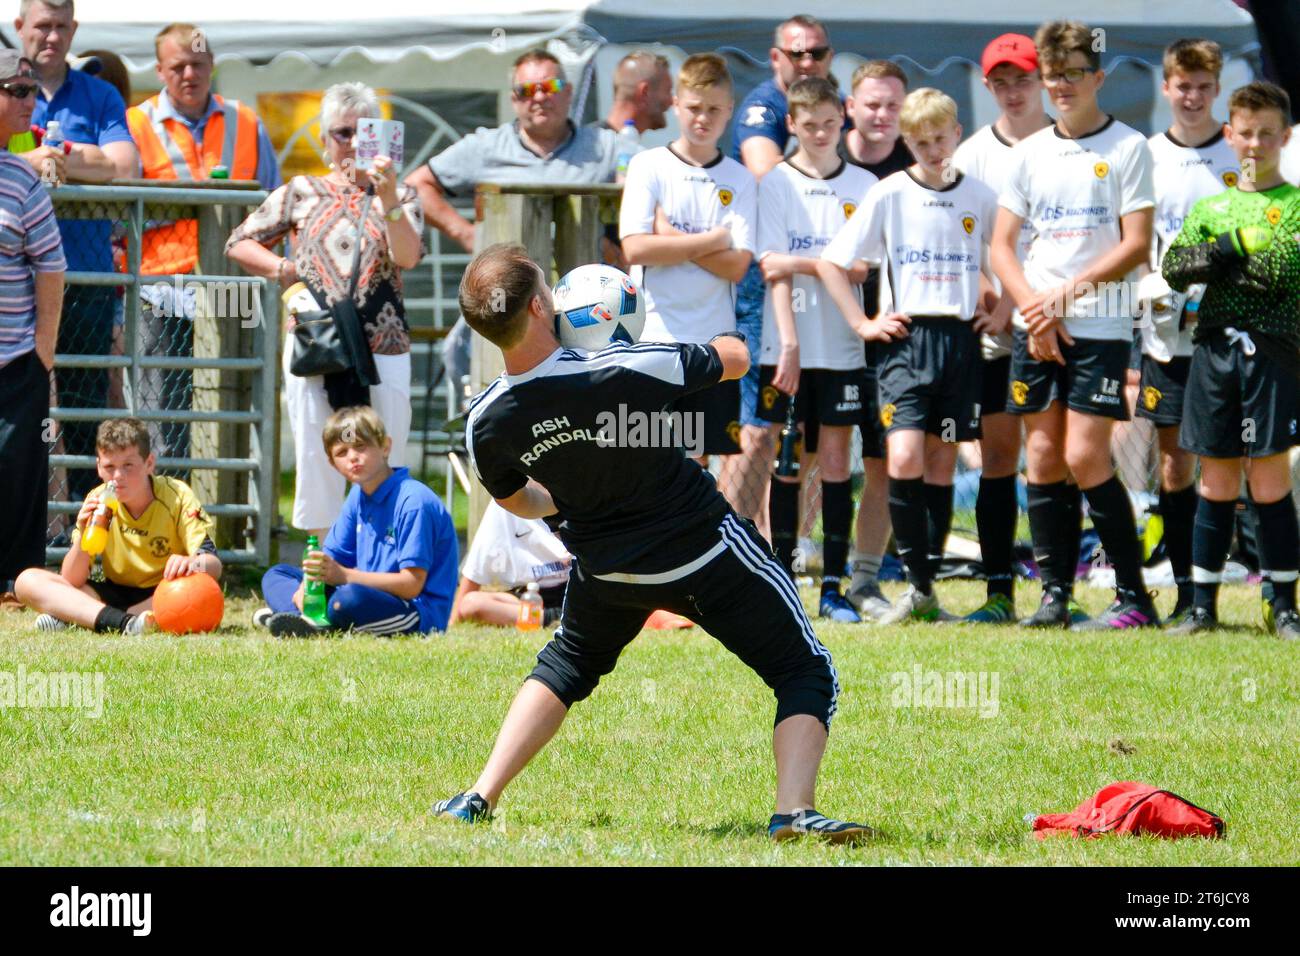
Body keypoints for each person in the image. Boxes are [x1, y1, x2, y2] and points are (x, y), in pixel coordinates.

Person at [432, 242, 872, 844]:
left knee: (565, 666)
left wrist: (572, 488)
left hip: (607, 572)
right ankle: (793, 812)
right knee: (805, 668)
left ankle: (477, 797)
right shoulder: (625, 366)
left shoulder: (485, 420)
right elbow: (735, 359)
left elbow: (517, 500)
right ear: (539, 307)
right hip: (704, 555)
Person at [991, 20, 1158, 629]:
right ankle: (1055, 595)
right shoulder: (1029, 151)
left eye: (1074, 75)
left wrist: (1062, 298)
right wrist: (1036, 310)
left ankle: (1134, 597)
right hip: (1039, 324)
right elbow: (1002, 248)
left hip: (1101, 326)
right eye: (1053, 75)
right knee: (1041, 457)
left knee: (1086, 457)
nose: (1062, 86)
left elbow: (1136, 245)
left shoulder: (1129, 147)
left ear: (1099, 77)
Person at [819, 88, 998, 624]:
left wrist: (1004, 308)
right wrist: (862, 323)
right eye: (920, 142)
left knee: (942, 462)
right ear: (906, 142)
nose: (932, 150)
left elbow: (1013, 255)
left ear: (957, 135)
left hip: (960, 343)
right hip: (904, 344)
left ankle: (924, 590)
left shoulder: (982, 197)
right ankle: (905, 583)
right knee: (901, 459)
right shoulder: (891, 192)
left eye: (940, 139)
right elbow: (834, 262)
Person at [226, 81, 423, 540]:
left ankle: (385, 560)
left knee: (384, 451)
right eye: (342, 133)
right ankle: (321, 566)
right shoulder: (301, 191)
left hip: (382, 343)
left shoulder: (401, 194)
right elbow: (239, 241)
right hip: (317, 342)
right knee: (320, 453)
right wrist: (286, 270)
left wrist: (389, 196)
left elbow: (408, 257)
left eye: (364, 133)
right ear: (323, 140)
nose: (353, 143)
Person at [1162, 81, 1300, 640]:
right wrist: (1235, 243)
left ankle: (1283, 606)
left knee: (1267, 479)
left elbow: (1280, 276)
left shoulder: (1294, 205)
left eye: (1268, 133)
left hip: (1273, 354)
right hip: (1215, 352)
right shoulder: (1211, 207)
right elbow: (1175, 267)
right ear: (1229, 134)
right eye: (1246, 132)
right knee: (1215, 480)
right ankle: (1202, 607)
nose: (1256, 143)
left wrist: (1214, 262)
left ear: (1285, 137)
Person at [127, 22, 282, 462]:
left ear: (212, 65)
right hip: (161, 289)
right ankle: (168, 510)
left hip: (235, 286)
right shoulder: (134, 124)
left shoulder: (246, 122)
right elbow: (117, 219)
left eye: (197, 64)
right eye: (177, 66)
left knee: (236, 402)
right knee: (161, 412)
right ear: (159, 71)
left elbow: (275, 205)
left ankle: (235, 516)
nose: (189, 74)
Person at [755, 77, 876, 622]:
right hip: (788, 346)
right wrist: (789, 344)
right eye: (810, 125)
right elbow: (771, 270)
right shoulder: (775, 183)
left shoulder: (865, 183)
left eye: (830, 123)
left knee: (833, 461)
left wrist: (802, 262)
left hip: (844, 347)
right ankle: (783, 579)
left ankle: (833, 586)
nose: (822, 133)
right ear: (792, 125)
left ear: (843, 120)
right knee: (786, 463)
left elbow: (860, 268)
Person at [619, 53, 755, 501]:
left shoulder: (739, 177)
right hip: (652, 338)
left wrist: (671, 237)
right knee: (647, 452)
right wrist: (714, 239)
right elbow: (636, 247)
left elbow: (738, 266)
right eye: (695, 108)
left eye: (714, 110)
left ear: (730, 110)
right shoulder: (649, 165)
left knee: (697, 460)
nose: (703, 119)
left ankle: (688, 563)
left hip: (711, 343)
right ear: (676, 104)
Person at [950, 34, 1053, 624]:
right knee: (998, 458)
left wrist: (1033, 305)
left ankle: (1056, 587)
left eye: (1023, 79)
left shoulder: (1067, 146)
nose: (1013, 92)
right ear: (987, 86)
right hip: (996, 327)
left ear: (1042, 81)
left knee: (1055, 459)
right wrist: (996, 299)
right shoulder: (971, 156)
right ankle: (998, 591)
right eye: (1001, 82)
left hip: (1058, 323)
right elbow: (961, 245)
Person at [18, 0, 139, 501]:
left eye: (61, 26)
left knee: (88, 412)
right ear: (18, 26)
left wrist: (62, 157)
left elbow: (126, 165)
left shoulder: (100, 94)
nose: (51, 36)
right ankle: (19, 539)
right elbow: (106, 163)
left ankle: (93, 538)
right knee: (16, 413)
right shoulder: (8, 87)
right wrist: (30, 161)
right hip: (13, 281)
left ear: (75, 29)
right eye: (42, 25)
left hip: (83, 279)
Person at [1138, 39, 1241, 628]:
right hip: (1166, 336)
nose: (1194, 97)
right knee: (1175, 465)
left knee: (1233, 461)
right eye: (1184, 86)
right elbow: (1134, 243)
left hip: (1229, 333)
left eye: (1205, 87)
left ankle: (1218, 595)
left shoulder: (1239, 152)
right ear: (1167, 87)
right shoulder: (1146, 155)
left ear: (1217, 89)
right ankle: (1184, 595)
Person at [729, 15, 841, 531]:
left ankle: (790, 542)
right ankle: (736, 537)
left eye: (815, 53)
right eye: (796, 53)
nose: (806, 62)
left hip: (828, 289)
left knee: (818, 427)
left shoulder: (834, 106)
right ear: (776, 57)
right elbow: (768, 176)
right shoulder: (764, 107)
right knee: (759, 426)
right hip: (766, 285)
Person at [256, 406, 458, 637]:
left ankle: (307, 620)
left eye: (361, 447)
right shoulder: (357, 495)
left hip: (415, 610)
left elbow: (412, 585)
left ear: (385, 447)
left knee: (348, 599)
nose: (353, 457)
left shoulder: (413, 501)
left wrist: (344, 576)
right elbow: (332, 559)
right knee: (277, 575)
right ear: (332, 463)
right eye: (342, 452)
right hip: (362, 591)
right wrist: (307, 586)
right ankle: (306, 619)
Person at [14, 417, 221, 634]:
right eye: (110, 467)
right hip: (112, 592)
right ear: (99, 468)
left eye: (128, 466)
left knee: (200, 586)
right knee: (27, 580)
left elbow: (213, 565)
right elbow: (72, 579)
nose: (118, 477)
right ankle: (125, 623)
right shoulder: (98, 499)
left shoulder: (177, 496)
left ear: (149, 463)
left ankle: (80, 618)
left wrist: (191, 563)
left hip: (166, 591)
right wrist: (84, 533)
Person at [405, 49, 620, 254]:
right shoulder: (486, 146)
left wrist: (620, 244)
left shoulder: (606, 146)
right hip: (511, 285)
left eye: (550, 86)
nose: (539, 97)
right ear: (513, 99)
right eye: (525, 90)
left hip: (587, 284)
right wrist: (466, 234)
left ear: (568, 91)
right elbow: (416, 185)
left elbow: (647, 185)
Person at [839, 60, 915, 620]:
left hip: (889, 341)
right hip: (817, 340)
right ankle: (787, 568)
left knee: (881, 459)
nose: (882, 115)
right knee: (805, 457)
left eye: (893, 105)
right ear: (850, 106)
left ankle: (864, 579)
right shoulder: (822, 159)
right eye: (872, 104)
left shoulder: (917, 168)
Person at [0, 49, 65, 605]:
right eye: (17, 90)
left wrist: (43, 348)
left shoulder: (22, 179)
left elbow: (51, 266)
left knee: (19, 469)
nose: (29, 101)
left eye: (30, 90)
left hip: (16, 358)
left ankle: (15, 580)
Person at [450, 500, 570, 628]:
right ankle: (554, 618)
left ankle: (565, 617)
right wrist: (453, 620)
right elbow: (475, 570)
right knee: (471, 604)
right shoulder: (506, 500)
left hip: (573, 589)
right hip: (528, 596)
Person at [600, 50, 673, 135]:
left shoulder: (594, 141)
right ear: (645, 93)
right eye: (668, 91)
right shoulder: (593, 145)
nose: (671, 101)